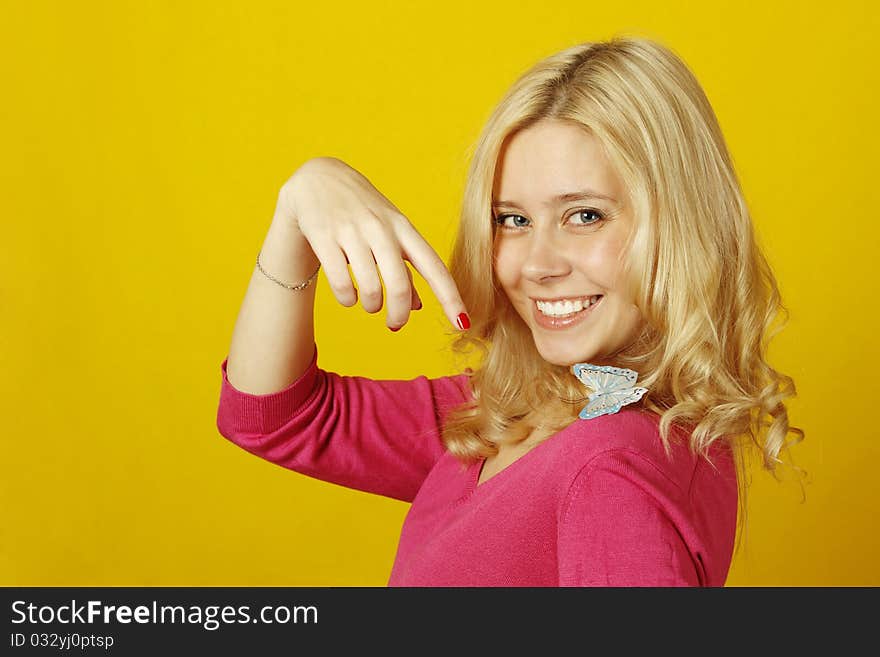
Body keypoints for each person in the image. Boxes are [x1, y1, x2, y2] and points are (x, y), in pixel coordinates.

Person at [215, 37, 804, 586]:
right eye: (512, 220)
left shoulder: (611, 468)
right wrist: (304, 197)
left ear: (681, 227)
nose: (536, 264)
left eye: (585, 215)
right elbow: (273, 417)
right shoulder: (516, 410)